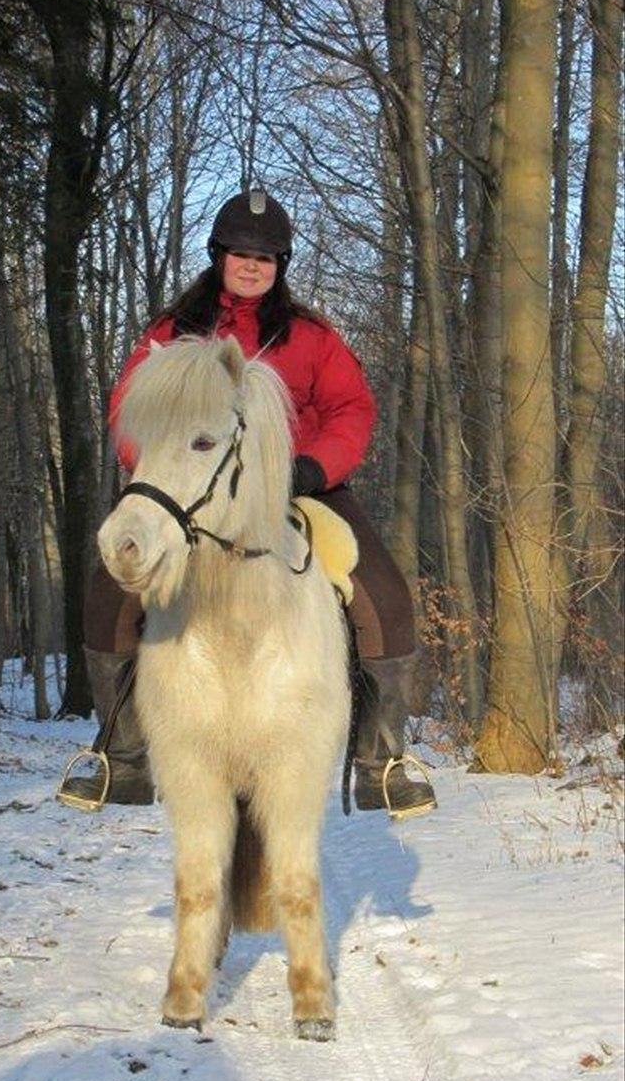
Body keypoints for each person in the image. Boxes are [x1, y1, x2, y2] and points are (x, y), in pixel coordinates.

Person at [60, 188, 436, 819]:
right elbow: (130, 410)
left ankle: (384, 761)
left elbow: (351, 409)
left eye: (266, 256)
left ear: (280, 264)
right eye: (241, 253)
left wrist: (312, 467)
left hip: (303, 485)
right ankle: (119, 758)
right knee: (111, 589)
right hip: (189, 491)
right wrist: (156, 467)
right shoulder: (172, 333)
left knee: (385, 597)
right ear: (219, 255)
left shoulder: (312, 337)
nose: (253, 265)